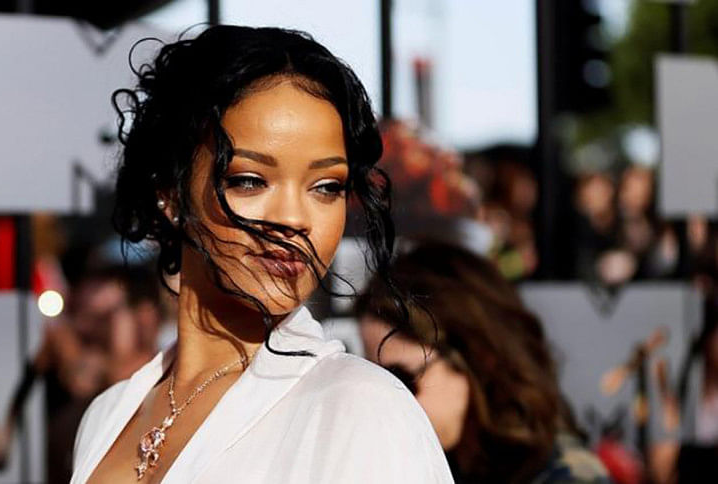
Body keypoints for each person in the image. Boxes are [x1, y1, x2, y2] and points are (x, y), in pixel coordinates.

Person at [71, 25, 453, 484]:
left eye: (326, 187)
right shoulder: (106, 415)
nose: (293, 219)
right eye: (250, 180)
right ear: (171, 194)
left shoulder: (360, 408)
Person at [356, 240, 610, 484]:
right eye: (373, 382)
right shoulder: (421, 465)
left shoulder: (568, 475)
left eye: (402, 380)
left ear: (477, 357)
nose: (387, 405)